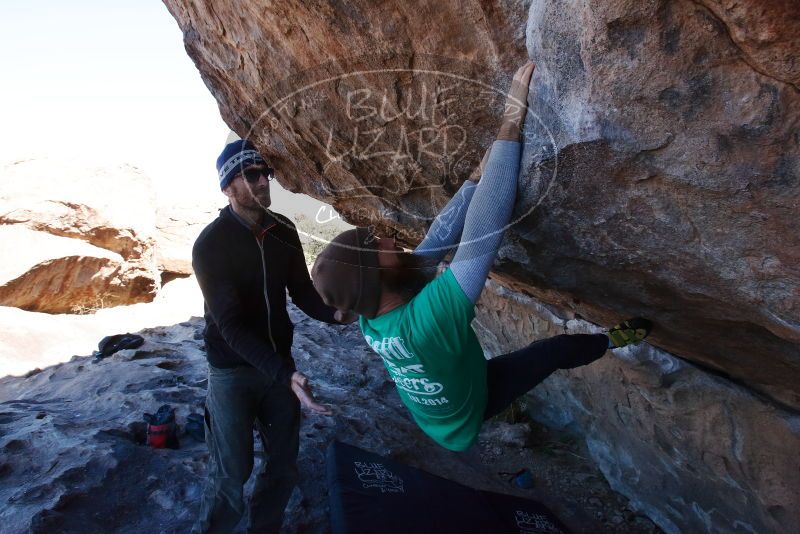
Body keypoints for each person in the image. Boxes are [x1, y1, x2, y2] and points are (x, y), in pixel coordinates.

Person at [310, 62, 652, 452]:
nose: (387, 238)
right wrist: (510, 122)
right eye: (376, 245)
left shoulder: (372, 316)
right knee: (550, 353)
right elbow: (484, 230)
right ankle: (611, 341)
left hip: (442, 403)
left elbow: (438, 239)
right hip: (469, 411)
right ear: (374, 275)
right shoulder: (427, 320)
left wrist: (475, 175)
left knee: (498, 358)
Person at [192, 139, 353, 533]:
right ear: (228, 187)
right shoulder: (211, 245)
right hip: (232, 372)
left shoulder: (283, 230)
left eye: (265, 173)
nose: (263, 182)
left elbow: (301, 291)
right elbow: (229, 326)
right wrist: (286, 375)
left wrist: (336, 314)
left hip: (280, 367)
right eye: (251, 175)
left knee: (282, 464)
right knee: (232, 472)